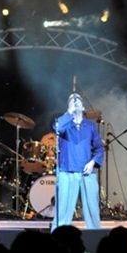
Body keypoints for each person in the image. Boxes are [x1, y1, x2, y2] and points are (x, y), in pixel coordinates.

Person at [51, 93, 104, 230]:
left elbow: (99, 148)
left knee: (93, 212)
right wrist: (69, 112)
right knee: (62, 213)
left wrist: (93, 162)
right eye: (72, 100)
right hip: (67, 171)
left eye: (78, 100)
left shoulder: (90, 126)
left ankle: (95, 239)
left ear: (83, 107)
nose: (75, 101)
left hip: (87, 173)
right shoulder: (64, 124)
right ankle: (57, 238)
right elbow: (57, 128)